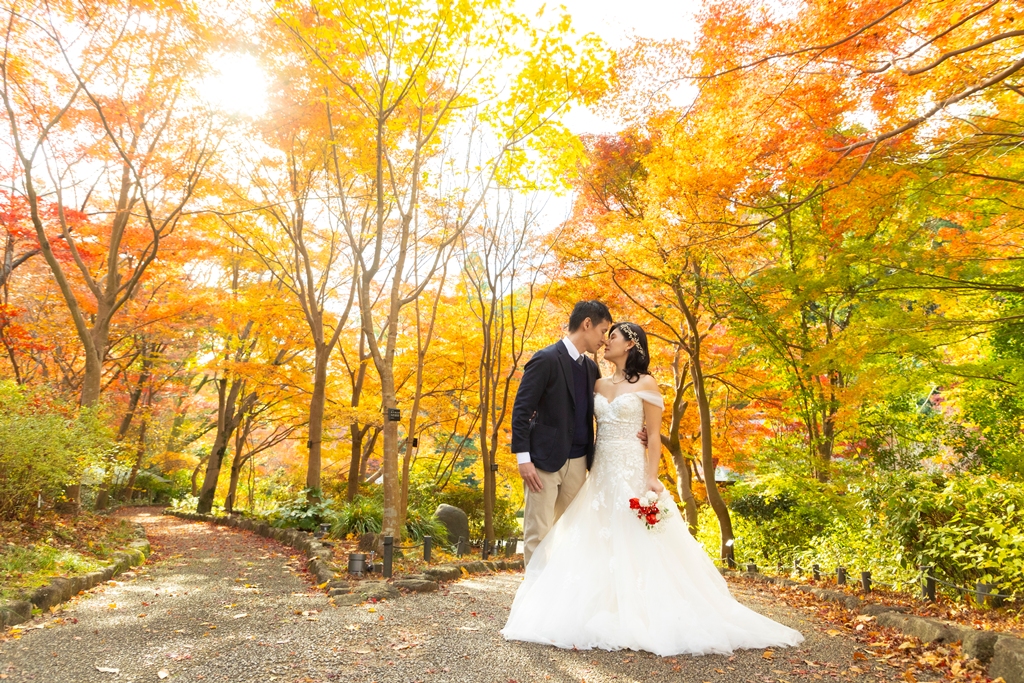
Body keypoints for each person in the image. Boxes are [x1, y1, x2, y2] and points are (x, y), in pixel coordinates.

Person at [502, 322, 804, 656]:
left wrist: (651, 477)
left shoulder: (647, 383)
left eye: (612, 336)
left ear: (630, 344)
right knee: (595, 535)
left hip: (632, 468)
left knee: (637, 537)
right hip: (600, 469)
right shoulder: (596, 381)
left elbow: (655, 435)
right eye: (605, 334)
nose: (606, 341)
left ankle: (643, 607)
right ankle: (585, 603)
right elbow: (574, 415)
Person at [511, 300, 612, 566]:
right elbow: (521, 411)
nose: (604, 339)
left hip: (579, 463)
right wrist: (524, 460)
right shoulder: (545, 359)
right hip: (543, 462)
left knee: (572, 535)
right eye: (603, 331)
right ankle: (534, 601)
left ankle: (561, 601)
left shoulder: (591, 368)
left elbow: (603, 411)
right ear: (586, 324)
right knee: (538, 534)